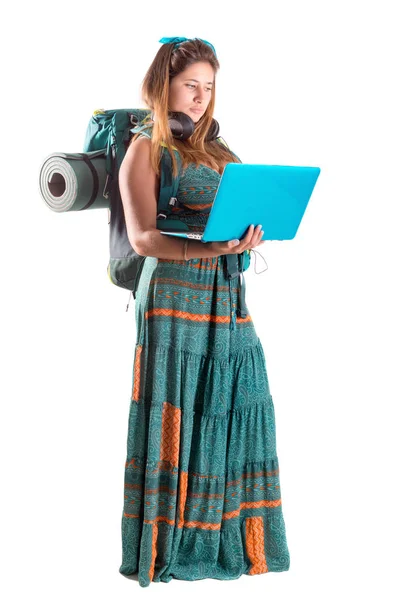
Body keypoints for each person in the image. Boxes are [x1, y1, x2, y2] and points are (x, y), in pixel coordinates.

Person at [117, 36, 290, 588]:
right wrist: (205, 249)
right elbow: (144, 237)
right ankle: (168, 548)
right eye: (191, 84)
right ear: (162, 84)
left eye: (208, 87)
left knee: (243, 398)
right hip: (171, 295)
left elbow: (236, 205)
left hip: (223, 292)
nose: (199, 96)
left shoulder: (217, 147)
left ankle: (227, 543)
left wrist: (249, 232)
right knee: (177, 413)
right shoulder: (144, 148)